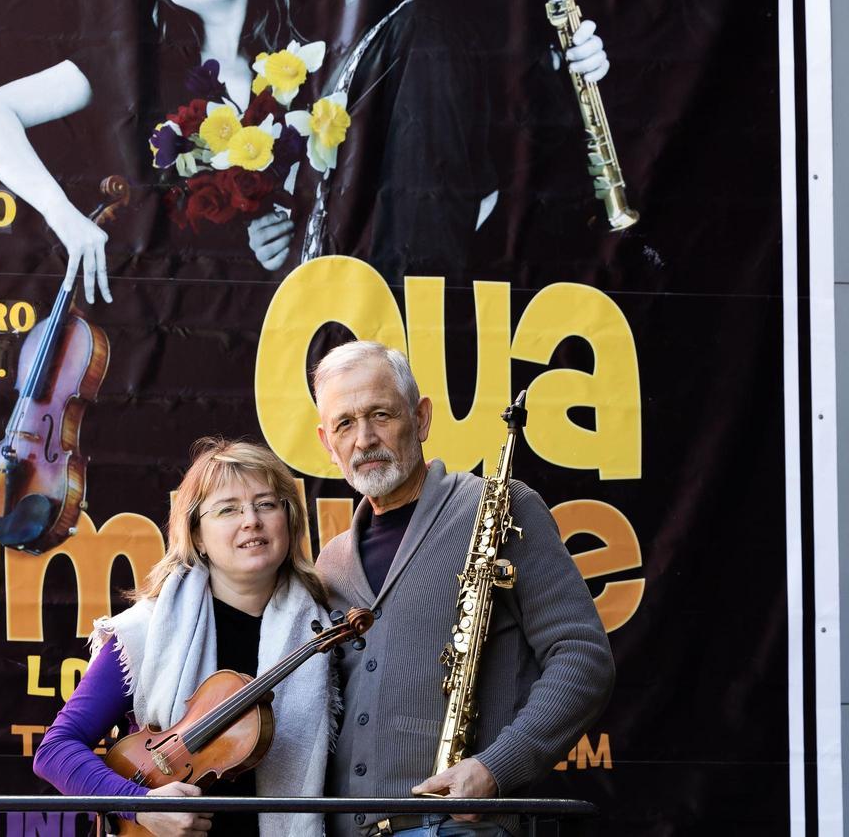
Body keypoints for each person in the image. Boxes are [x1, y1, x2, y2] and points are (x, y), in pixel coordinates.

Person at [310, 341, 615, 837]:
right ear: (327, 442)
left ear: (422, 417)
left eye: (380, 414)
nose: (364, 439)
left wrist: (496, 768)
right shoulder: (331, 564)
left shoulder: (500, 508)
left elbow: (582, 657)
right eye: (345, 423)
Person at [33, 438, 334, 837]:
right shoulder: (145, 632)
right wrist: (139, 806)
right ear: (197, 536)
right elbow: (55, 751)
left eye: (266, 504)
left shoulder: (323, 635)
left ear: (289, 519)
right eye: (228, 509)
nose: (251, 520)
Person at [0, 0, 299, 303]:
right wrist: (58, 210)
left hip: (250, 318)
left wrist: (275, 241)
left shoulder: (295, 70)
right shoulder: (134, 67)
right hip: (150, 312)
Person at [247, 0, 612, 284]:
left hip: (409, 302)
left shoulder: (430, 26)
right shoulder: (297, 26)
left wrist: (565, 65)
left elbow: (519, 143)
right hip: (321, 302)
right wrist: (270, 235)